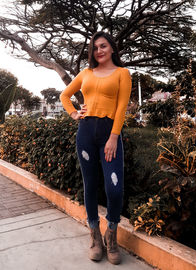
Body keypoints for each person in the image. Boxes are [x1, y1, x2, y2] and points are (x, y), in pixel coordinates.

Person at [60, 31, 132, 265]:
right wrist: (74, 113)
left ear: (112, 48)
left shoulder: (122, 73)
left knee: (114, 188)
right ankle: (94, 237)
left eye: (103, 46)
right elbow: (65, 95)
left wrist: (114, 137)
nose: (98, 51)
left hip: (109, 134)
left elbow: (121, 107)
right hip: (86, 133)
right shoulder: (86, 73)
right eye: (95, 48)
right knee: (89, 185)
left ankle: (111, 234)